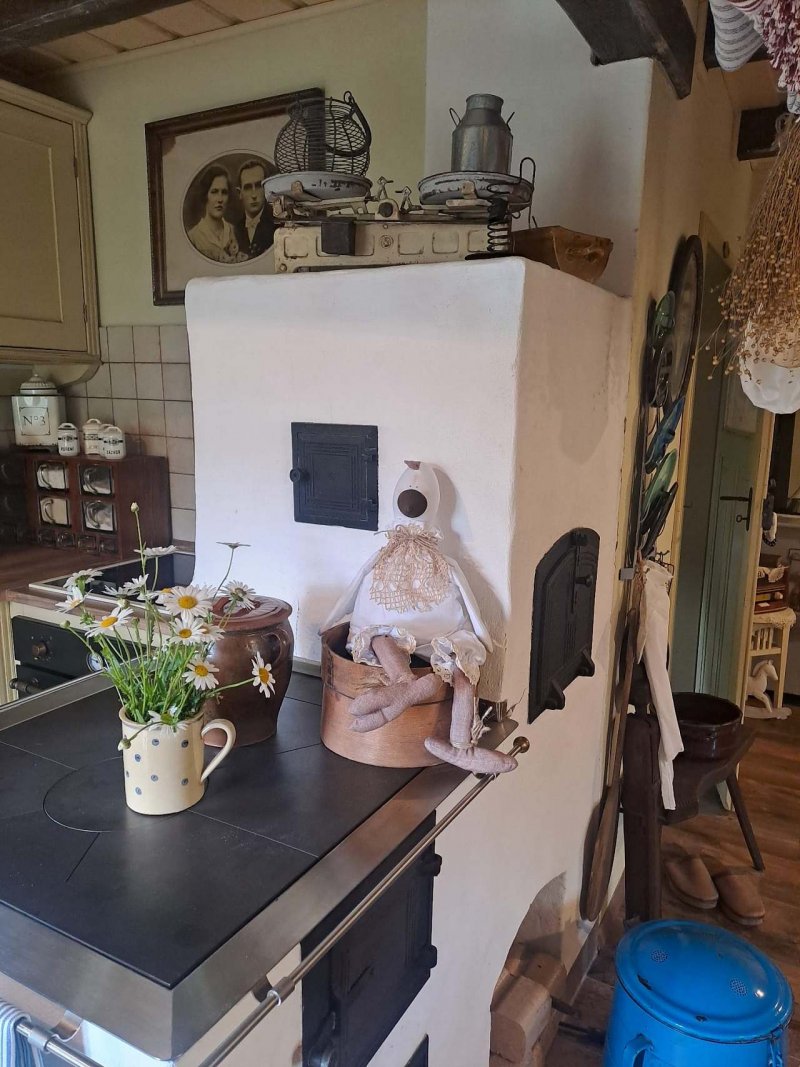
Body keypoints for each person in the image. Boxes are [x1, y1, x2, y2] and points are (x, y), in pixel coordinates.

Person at [186, 165, 246, 264]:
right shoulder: (193, 237)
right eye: (214, 192)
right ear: (205, 195)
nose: (220, 199)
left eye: (224, 192)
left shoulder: (235, 231)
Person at [234, 158, 276, 259]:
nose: (253, 195)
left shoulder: (277, 225)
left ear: (266, 189)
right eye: (248, 187)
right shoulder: (234, 230)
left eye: (258, 186)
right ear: (240, 193)